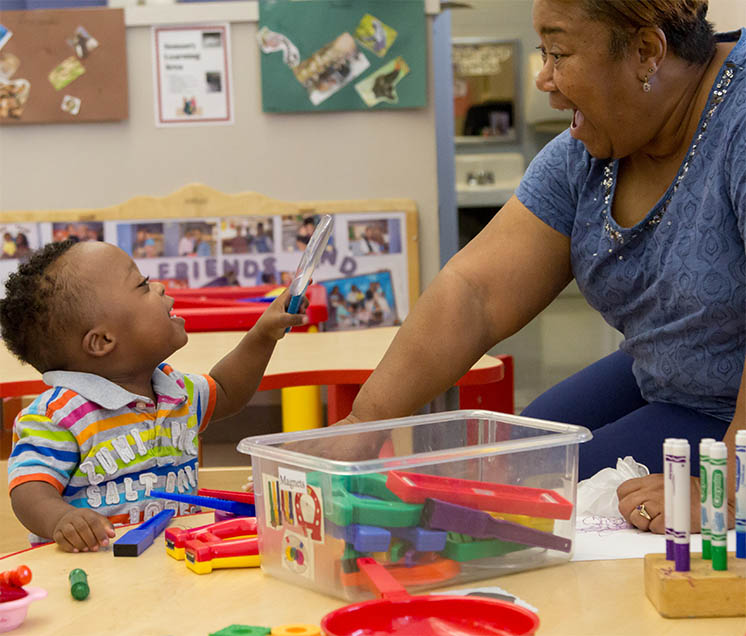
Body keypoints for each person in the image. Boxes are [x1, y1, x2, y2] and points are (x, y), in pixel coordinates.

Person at [332, 0, 745, 535]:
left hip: (726, 407)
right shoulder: (585, 156)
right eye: (541, 53)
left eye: (560, 53)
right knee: (514, 462)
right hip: (664, 371)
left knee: (536, 504)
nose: (545, 79)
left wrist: (727, 484)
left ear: (647, 51)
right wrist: (365, 422)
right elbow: (476, 291)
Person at [1, 239, 308, 552]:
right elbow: (29, 488)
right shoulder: (58, 416)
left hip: (171, 562)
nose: (160, 287)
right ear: (104, 340)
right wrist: (61, 519)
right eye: (143, 285)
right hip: (96, 572)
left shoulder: (173, 390)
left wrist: (263, 335)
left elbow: (226, 389)